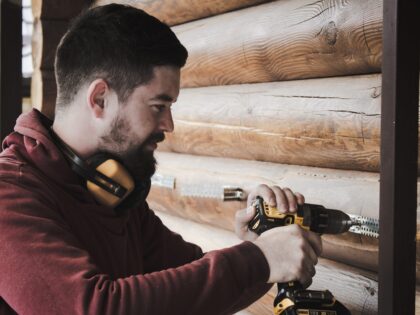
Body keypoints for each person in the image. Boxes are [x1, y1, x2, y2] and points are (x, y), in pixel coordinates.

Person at [0, 4, 322, 315]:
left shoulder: (114, 192)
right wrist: (258, 260)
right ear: (100, 99)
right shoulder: (10, 193)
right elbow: (94, 308)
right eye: (158, 105)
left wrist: (260, 245)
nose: (169, 124)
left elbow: (192, 290)